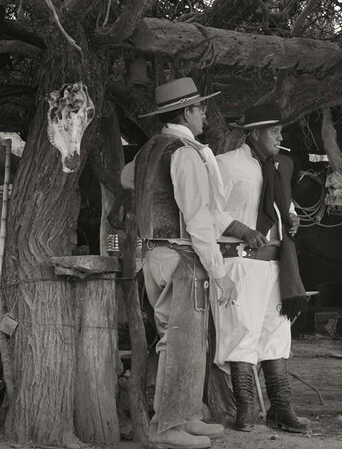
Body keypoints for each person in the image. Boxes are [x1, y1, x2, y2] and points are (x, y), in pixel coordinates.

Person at [131, 77, 236, 448]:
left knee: (173, 339)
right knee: (183, 342)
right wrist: (220, 272)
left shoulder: (148, 150)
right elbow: (198, 220)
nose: (205, 113)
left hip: (152, 254)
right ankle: (168, 426)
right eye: (200, 107)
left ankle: (185, 414)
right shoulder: (185, 153)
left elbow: (129, 183)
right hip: (180, 256)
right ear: (187, 111)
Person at [213, 104, 310, 433]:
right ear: (254, 134)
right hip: (239, 263)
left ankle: (281, 409)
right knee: (242, 333)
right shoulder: (226, 165)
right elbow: (208, 211)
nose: (281, 137)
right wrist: (243, 230)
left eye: (281, 131)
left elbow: (284, 210)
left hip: (274, 265)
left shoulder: (280, 167)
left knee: (276, 334)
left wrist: (293, 218)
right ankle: (245, 410)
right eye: (274, 131)